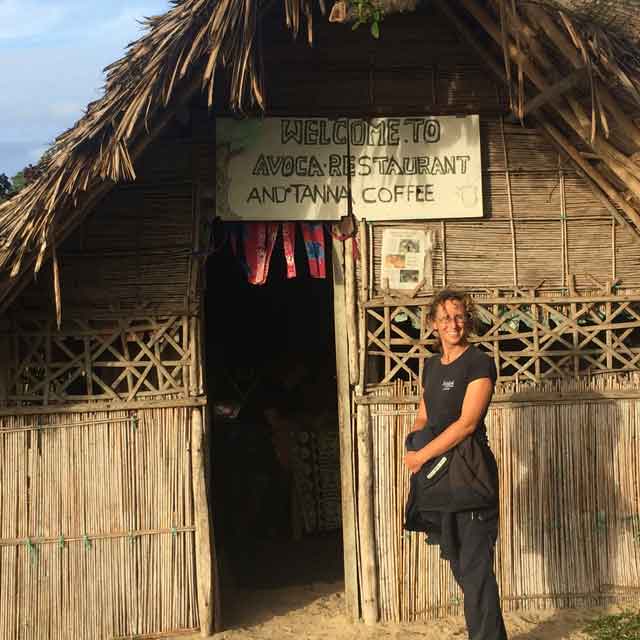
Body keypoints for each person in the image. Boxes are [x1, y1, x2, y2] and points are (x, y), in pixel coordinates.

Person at [403, 289, 508, 640]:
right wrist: (415, 440)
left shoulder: (478, 363)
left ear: (468, 320)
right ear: (433, 324)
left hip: (470, 475)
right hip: (439, 478)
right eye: (445, 317)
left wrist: (422, 455)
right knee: (460, 566)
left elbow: (467, 424)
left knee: (476, 570)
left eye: (460, 316)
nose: (453, 323)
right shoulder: (432, 367)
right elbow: (424, 415)